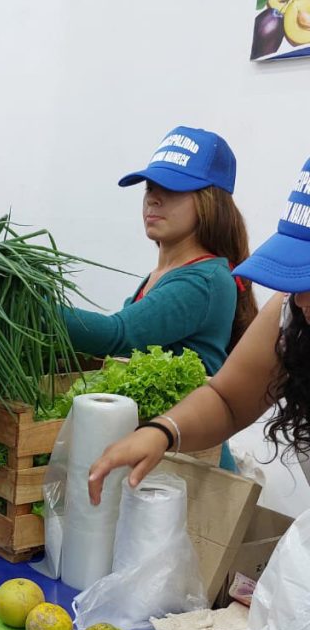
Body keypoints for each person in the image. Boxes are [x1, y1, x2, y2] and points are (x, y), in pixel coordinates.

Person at [88, 155, 310, 506]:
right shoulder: (289, 313)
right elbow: (227, 401)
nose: (300, 300)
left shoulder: (205, 280)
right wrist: (162, 431)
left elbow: (117, 332)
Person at [63, 126, 258, 376]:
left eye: (172, 188)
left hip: (179, 416)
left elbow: (117, 335)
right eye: (150, 188)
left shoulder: (204, 281)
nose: (153, 199)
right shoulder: (164, 274)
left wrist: (35, 305)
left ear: (209, 201)